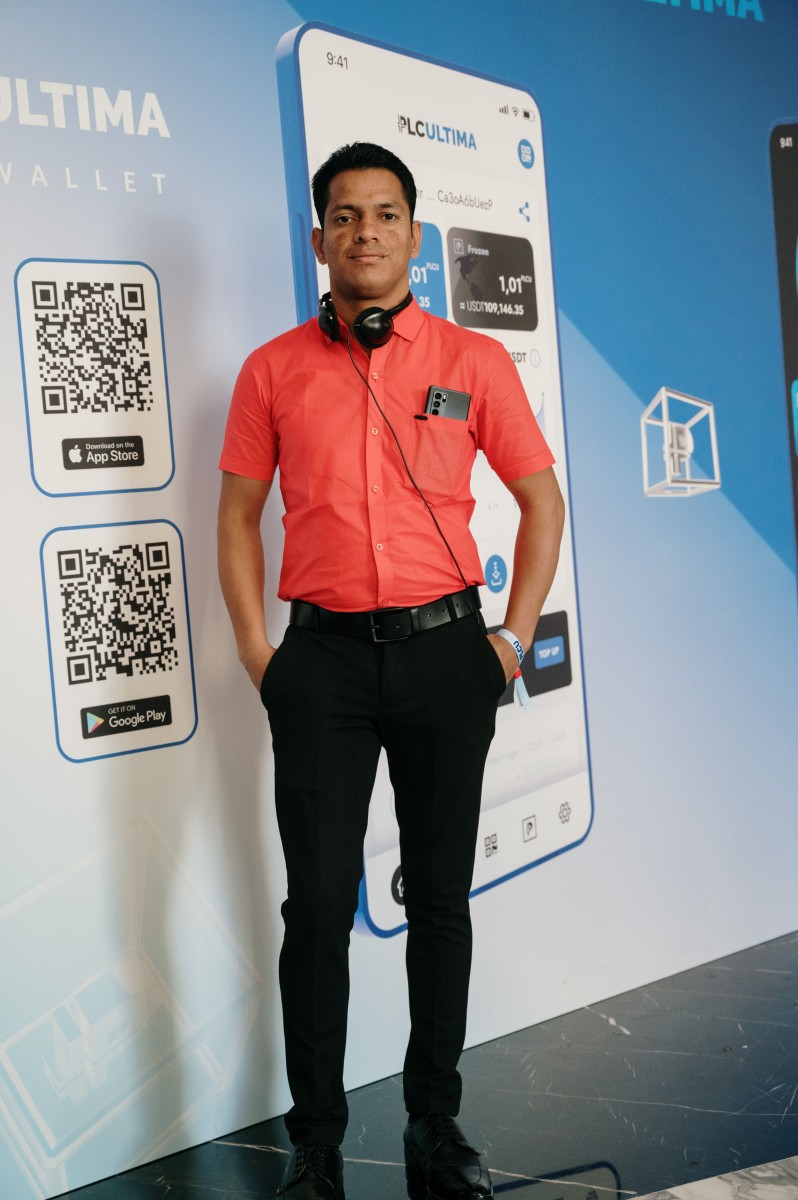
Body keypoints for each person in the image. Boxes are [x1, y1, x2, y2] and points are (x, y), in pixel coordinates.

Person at [217, 142, 565, 1200]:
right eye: (344, 216)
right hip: (319, 664)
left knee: (441, 899)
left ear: (414, 233)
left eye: (383, 214)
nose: (363, 232)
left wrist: (509, 642)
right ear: (319, 237)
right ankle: (316, 1145)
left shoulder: (473, 362)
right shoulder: (272, 370)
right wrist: (260, 655)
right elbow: (236, 517)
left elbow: (541, 501)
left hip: (447, 656)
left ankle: (434, 1123)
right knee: (318, 906)